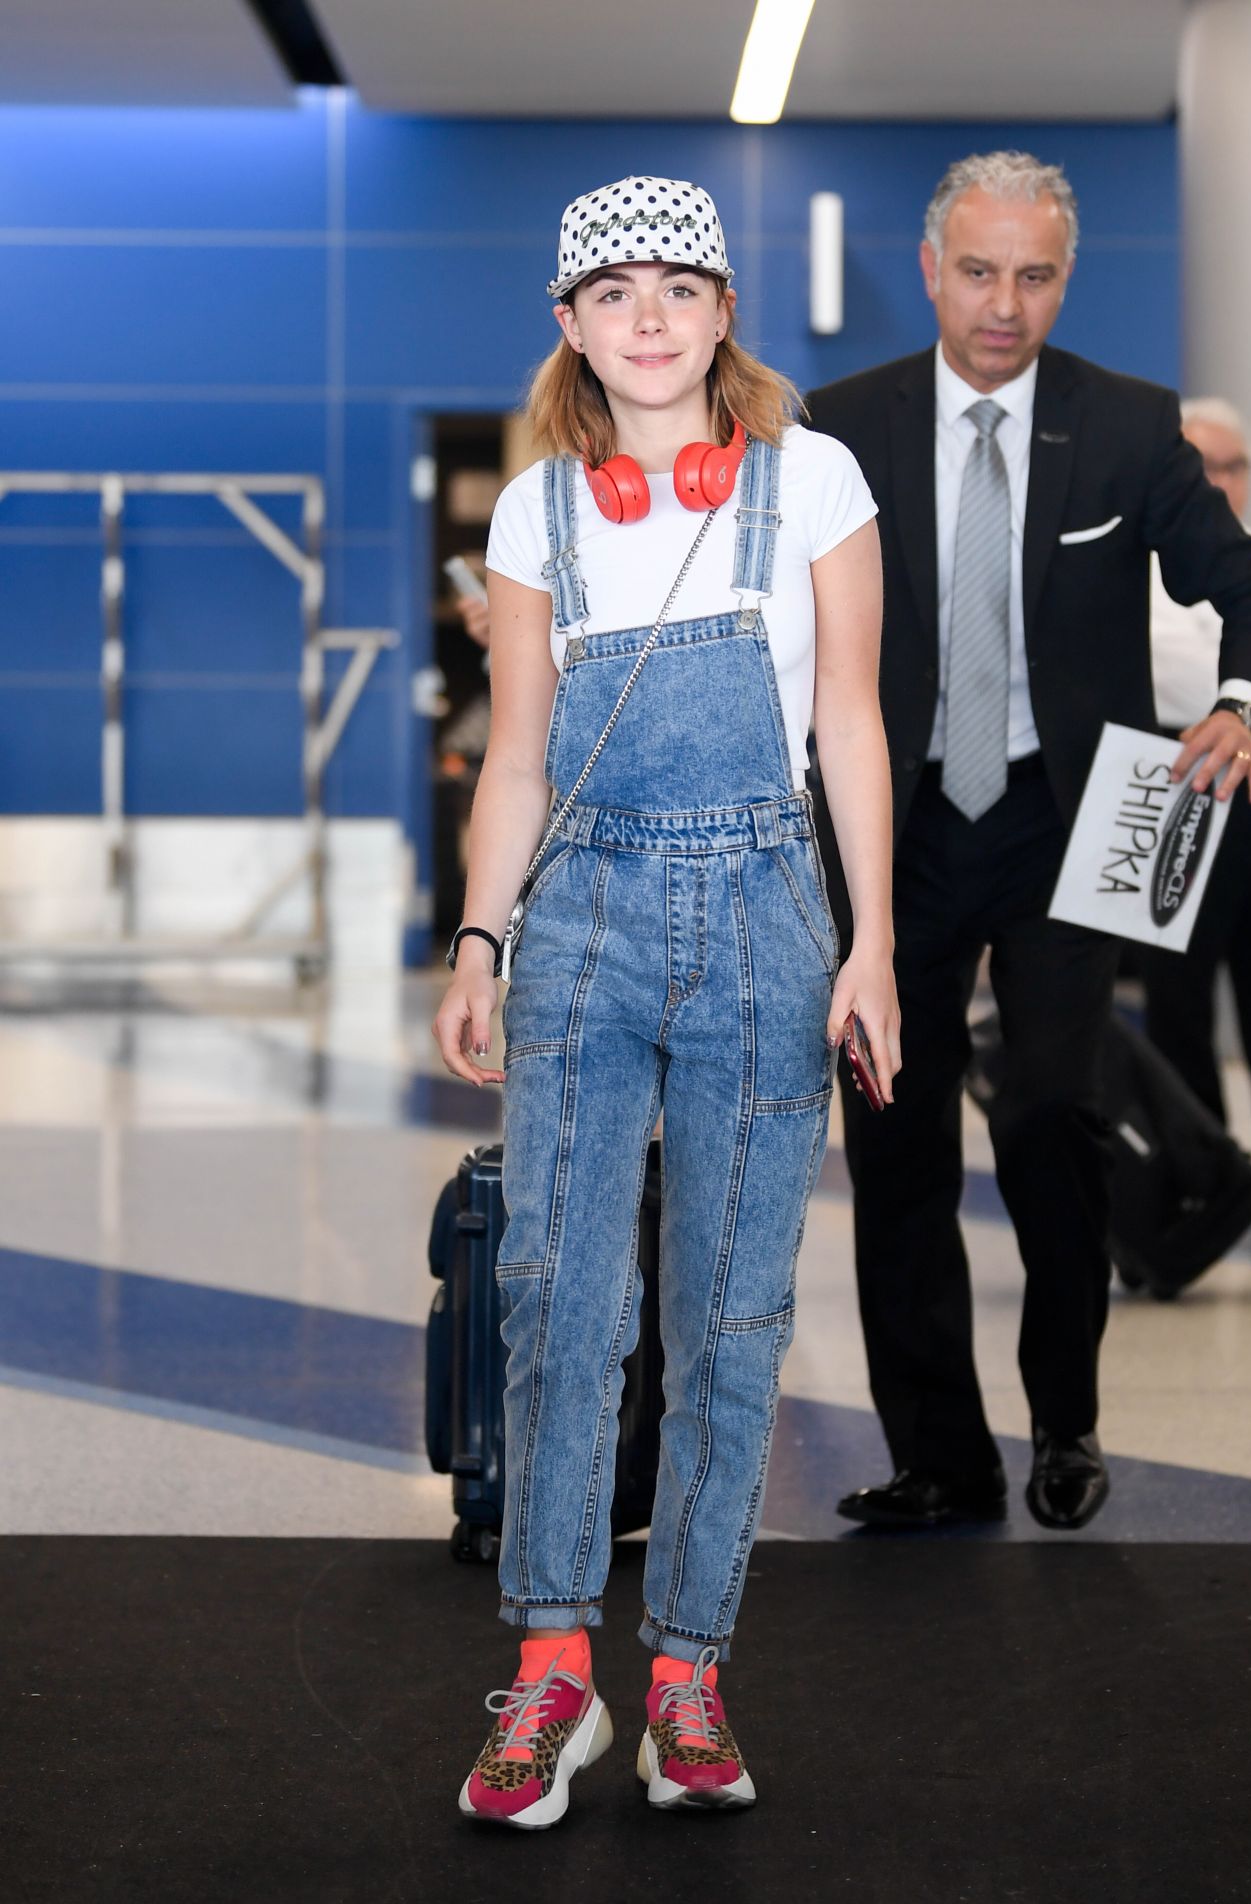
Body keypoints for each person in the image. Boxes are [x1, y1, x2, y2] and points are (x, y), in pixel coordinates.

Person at [433, 174, 896, 1827]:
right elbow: (519, 755)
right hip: (585, 918)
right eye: (612, 289)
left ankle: (688, 1669)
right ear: (569, 324)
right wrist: (483, 936)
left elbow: (849, 721)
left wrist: (874, 943)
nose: (648, 314)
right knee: (562, 1298)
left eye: (678, 287)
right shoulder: (536, 511)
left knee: (730, 1313)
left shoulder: (815, 479)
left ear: (720, 315)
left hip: (771, 908)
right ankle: (554, 1666)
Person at [806, 150, 1251, 1535]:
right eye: (978, 270)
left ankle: (1065, 1421)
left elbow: (1248, 583)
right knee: (893, 1144)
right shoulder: (841, 428)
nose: (1004, 303)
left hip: (1069, 831)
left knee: (1050, 1123)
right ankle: (941, 1457)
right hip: (892, 836)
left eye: (1034, 275)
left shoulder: (1128, 426)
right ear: (930, 268)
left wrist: (1245, 702)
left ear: (1065, 277)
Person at [1141, 398, 1251, 1167]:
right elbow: (1174, 675)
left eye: (1232, 467)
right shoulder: (1142, 562)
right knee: (1179, 987)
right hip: (1174, 775)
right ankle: (1198, 1167)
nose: (1219, 482)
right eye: (1203, 466)